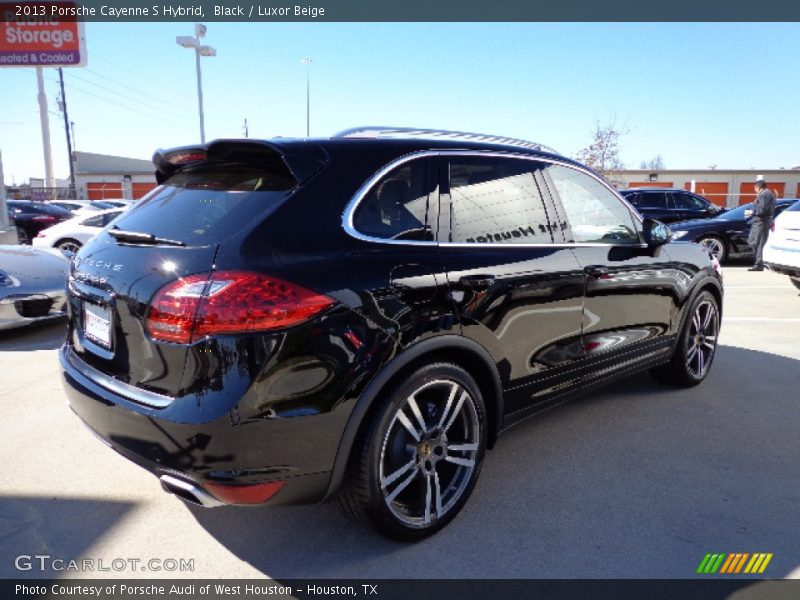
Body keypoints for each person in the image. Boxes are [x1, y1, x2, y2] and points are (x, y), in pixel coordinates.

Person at [747, 179, 776, 271]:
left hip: (761, 221)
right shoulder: (763, 194)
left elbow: (762, 209)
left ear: (757, 187)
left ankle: (759, 264)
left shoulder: (765, 194)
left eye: (755, 188)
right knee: (751, 241)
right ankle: (758, 261)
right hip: (757, 221)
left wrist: (752, 212)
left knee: (759, 243)